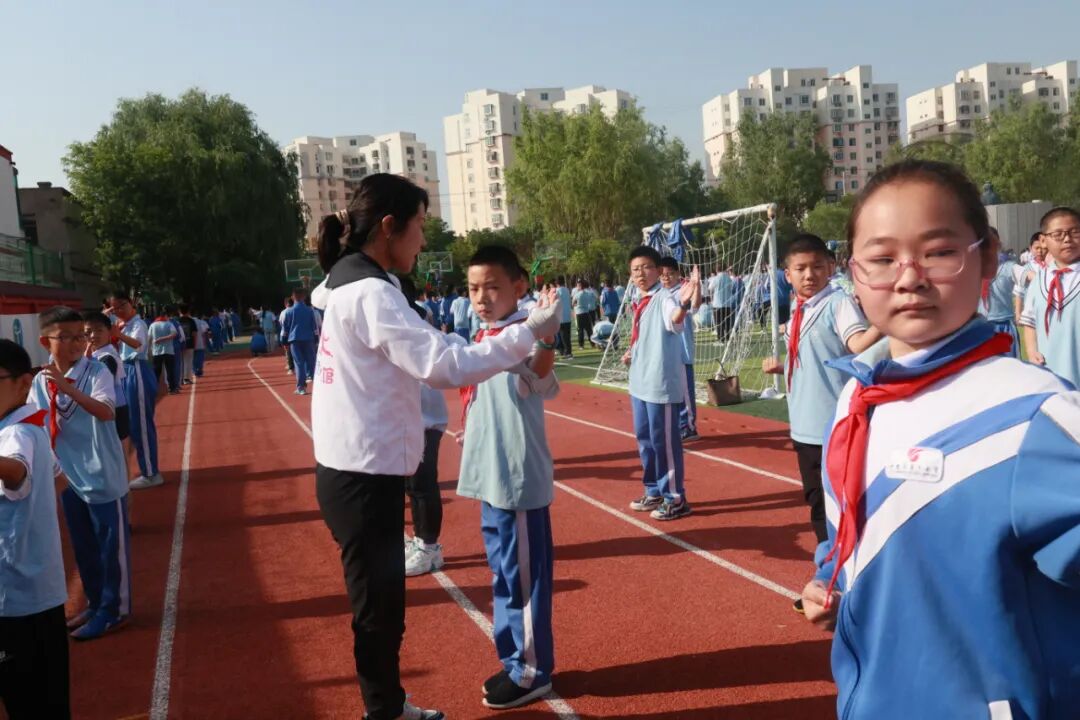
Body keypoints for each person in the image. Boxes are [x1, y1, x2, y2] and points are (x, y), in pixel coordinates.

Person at [801, 160, 1080, 718]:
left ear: (987, 256)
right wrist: (832, 575)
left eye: (938, 252)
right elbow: (855, 529)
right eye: (882, 259)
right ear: (853, 274)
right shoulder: (857, 401)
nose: (909, 277)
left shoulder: (1035, 415)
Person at [308, 173, 562, 720]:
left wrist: (521, 337)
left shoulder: (351, 281)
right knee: (378, 610)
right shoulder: (370, 290)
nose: (424, 240)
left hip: (353, 468)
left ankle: (389, 705)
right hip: (361, 474)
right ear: (388, 227)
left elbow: (438, 346)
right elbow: (440, 365)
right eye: (419, 225)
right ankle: (385, 710)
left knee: (381, 606)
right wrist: (528, 331)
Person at [456, 246, 559, 710]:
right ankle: (515, 658)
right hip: (491, 476)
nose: (481, 296)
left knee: (523, 579)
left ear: (518, 287)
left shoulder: (521, 333)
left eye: (492, 286)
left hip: (516, 479)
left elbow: (539, 372)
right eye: (474, 288)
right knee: (503, 574)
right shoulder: (488, 334)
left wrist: (548, 337)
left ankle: (533, 671)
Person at [760, 235, 879, 612]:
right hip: (805, 425)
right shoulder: (800, 308)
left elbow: (857, 344)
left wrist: (886, 319)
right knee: (818, 505)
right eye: (800, 269)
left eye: (816, 266)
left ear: (831, 267)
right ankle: (830, 579)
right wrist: (783, 366)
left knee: (838, 509)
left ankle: (835, 583)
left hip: (834, 426)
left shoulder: (837, 303)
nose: (809, 274)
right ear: (787, 274)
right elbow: (819, 354)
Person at [32, 307, 131, 641]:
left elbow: (105, 412)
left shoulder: (97, 371)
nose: (78, 343)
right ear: (46, 341)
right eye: (68, 337)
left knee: (109, 548)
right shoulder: (40, 381)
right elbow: (36, 423)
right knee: (83, 546)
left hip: (102, 475)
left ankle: (113, 609)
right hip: (68, 479)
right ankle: (94, 601)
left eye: (81, 336)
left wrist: (67, 386)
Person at [0, 340, 70, 720]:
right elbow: (59, 478)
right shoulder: (29, 425)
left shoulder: (19, 434)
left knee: (31, 703)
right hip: (35, 587)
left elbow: (15, 471)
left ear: (24, 382)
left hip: (18, 598)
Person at [621, 247, 699, 520]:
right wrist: (632, 351)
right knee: (645, 440)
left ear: (657, 270)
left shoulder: (665, 298)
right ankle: (653, 490)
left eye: (645, 267)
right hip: (639, 382)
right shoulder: (639, 299)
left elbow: (674, 319)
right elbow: (645, 333)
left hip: (660, 383)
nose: (640, 273)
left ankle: (675, 498)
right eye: (635, 269)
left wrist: (685, 306)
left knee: (664, 442)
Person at [1019, 206, 1080, 388]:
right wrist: (1031, 351)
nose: (1067, 239)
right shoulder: (1038, 281)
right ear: (1044, 240)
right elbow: (1030, 322)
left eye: (1075, 232)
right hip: (1050, 377)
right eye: (1058, 235)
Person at [109, 292, 163, 489]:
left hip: (137, 371)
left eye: (121, 306)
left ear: (132, 304)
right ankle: (146, 468)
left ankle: (151, 473)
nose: (118, 311)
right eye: (114, 308)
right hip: (126, 371)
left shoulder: (138, 324)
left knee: (141, 424)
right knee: (132, 425)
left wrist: (119, 335)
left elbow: (138, 345)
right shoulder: (123, 324)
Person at [658, 257, 703, 441]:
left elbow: (695, 306)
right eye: (662, 275)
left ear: (678, 274)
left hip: (681, 352)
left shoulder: (681, 291)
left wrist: (697, 285)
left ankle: (689, 426)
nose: (666, 278)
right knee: (670, 391)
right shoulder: (660, 294)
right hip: (665, 352)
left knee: (685, 392)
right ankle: (677, 424)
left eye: (670, 274)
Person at [84, 312, 129, 441]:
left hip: (114, 410)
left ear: (109, 332)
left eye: (99, 330)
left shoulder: (107, 358)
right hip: (111, 408)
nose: (93, 335)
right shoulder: (97, 355)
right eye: (88, 332)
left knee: (117, 454)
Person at [977, 229, 1021, 359]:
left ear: (999, 245)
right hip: (981, 325)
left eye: (992, 244)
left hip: (1004, 325)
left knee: (1010, 368)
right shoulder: (973, 268)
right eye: (984, 244)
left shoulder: (1008, 266)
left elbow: (1026, 275)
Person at [281, 288, 318, 395]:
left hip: (295, 340)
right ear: (304, 297)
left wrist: (284, 342)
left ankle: (301, 388)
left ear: (293, 297)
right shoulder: (310, 311)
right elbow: (314, 327)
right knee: (312, 362)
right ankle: (319, 386)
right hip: (309, 339)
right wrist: (316, 340)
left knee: (299, 363)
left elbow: (285, 330)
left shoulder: (289, 311)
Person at [149, 310, 179, 395]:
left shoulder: (153, 325)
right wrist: (163, 339)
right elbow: (174, 334)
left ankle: (154, 390)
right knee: (170, 371)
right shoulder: (169, 324)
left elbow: (149, 338)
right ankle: (172, 389)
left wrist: (149, 350)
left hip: (156, 352)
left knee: (156, 372)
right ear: (165, 316)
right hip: (168, 351)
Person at [711, 267, 738, 341]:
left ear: (717, 269)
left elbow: (710, 288)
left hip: (717, 304)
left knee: (719, 323)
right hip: (727, 304)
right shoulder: (729, 278)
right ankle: (728, 338)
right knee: (727, 323)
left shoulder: (715, 278)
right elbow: (732, 288)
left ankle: (720, 339)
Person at [573, 280, 596, 350]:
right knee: (589, 330)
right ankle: (592, 343)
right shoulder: (587, 294)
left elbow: (573, 303)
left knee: (580, 330)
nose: (577, 287)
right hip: (586, 312)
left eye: (577, 285)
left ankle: (581, 345)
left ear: (580, 286)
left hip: (579, 313)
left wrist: (576, 304)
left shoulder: (577, 294)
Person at [554, 277, 573, 359]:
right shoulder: (567, 290)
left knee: (562, 336)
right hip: (567, 315)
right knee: (567, 336)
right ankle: (566, 351)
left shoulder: (557, 291)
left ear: (556, 283)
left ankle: (567, 352)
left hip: (560, 316)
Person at [279, 298, 295, 375]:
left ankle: (291, 367)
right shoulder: (295, 311)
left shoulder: (283, 312)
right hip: (295, 333)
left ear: (285, 304)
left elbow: (281, 323)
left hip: (286, 334)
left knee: (288, 351)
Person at [192, 313, 209, 378]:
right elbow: (204, 332)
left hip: (190, 344)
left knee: (192, 358)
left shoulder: (187, 321)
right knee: (200, 358)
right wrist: (205, 342)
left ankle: (194, 371)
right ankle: (199, 371)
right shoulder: (201, 322)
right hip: (200, 343)